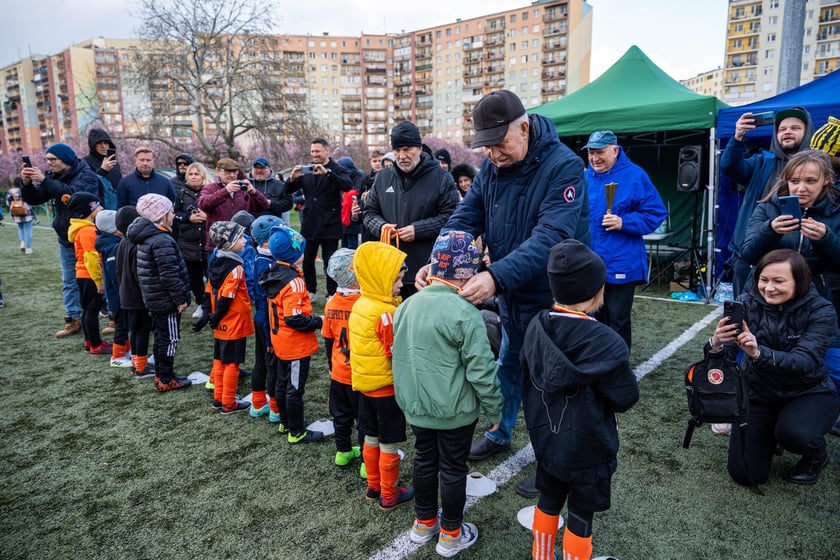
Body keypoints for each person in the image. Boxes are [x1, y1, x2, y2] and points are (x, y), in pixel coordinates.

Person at [416, 90, 590, 487]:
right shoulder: (493, 169)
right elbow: (465, 215)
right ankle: (500, 430)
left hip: (555, 295)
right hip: (514, 291)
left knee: (551, 384)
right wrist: (441, 258)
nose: (492, 155)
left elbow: (552, 237)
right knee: (508, 366)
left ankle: (553, 463)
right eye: (486, 147)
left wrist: (495, 276)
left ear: (524, 128)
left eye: (499, 144)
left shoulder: (564, 167)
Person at [522, 239, 639, 560]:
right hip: (589, 445)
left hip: (548, 439)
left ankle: (541, 556)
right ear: (596, 291)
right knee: (580, 515)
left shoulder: (536, 325)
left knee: (548, 500)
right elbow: (625, 396)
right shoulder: (606, 340)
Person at [393, 231, 502, 557]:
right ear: (466, 274)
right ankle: (451, 534)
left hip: (417, 406)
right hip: (456, 411)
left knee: (424, 459)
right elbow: (482, 371)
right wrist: (495, 410)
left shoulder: (407, 305)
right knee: (454, 469)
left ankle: (424, 524)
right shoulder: (466, 313)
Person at [708, 249, 839, 487]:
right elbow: (724, 358)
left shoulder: (822, 310)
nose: (769, 288)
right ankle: (771, 434)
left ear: (800, 281)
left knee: (796, 434)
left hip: (807, 391)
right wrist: (715, 343)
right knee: (746, 474)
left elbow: (804, 362)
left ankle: (816, 456)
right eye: (763, 280)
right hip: (759, 392)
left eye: (779, 281)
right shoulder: (746, 303)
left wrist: (758, 353)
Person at [582, 130, 667, 350]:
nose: (594, 158)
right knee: (592, 319)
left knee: (617, 319)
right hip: (590, 263)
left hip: (621, 262)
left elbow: (656, 212)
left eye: (599, 152)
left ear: (615, 150)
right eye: (591, 152)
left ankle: (618, 369)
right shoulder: (584, 177)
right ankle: (597, 365)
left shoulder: (635, 175)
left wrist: (624, 222)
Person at [721, 106, 814, 297]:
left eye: (795, 127)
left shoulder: (818, 166)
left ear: (807, 132)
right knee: (745, 311)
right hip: (752, 252)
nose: (787, 132)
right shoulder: (763, 161)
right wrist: (738, 136)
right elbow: (730, 167)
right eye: (782, 129)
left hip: (797, 256)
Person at [349, 241, 414, 512]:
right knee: (389, 442)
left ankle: (373, 486)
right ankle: (389, 493)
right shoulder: (385, 313)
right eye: (396, 281)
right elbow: (394, 352)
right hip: (387, 389)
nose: (401, 285)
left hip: (365, 386)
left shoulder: (361, 304)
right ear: (380, 279)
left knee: (370, 437)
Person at [363, 121, 459, 299]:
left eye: (407, 149)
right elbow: (369, 212)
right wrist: (381, 226)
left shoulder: (441, 178)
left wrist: (418, 230)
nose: (401, 156)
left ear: (420, 148)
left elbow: (452, 217)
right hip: (389, 271)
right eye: (397, 150)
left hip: (425, 270)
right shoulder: (383, 178)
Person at [20, 142, 99, 338]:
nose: (49, 164)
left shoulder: (87, 174)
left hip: (88, 235)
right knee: (69, 281)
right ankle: (73, 318)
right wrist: (28, 184)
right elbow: (36, 198)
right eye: (47, 160)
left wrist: (45, 181)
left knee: (99, 276)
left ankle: (112, 315)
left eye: (53, 159)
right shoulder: (53, 176)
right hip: (66, 236)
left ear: (66, 159)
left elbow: (72, 195)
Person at [260, 225, 324, 444]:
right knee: (294, 388)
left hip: (279, 341)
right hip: (294, 345)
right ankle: (296, 431)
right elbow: (294, 318)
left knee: (281, 383)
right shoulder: (294, 282)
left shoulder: (273, 272)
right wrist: (319, 321)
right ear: (294, 254)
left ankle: (285, 421)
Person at [127, 194, 192, 392]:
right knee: (170, 339)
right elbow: (169, 274)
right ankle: (166, 377)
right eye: (171, 212)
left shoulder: (147, 238)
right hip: (166, 301)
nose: (173, 215)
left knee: (161, 337)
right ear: (161, 216)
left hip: (155, 299)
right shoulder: (161, 240)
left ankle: (160, 374)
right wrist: (180, 298)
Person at [193, 221, 254, 415]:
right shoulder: (235, 267)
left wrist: (206, 314)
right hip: (233, 321)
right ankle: (229, 402)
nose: (245, 240)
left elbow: (209, 289)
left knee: (219, 359)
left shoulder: (216, 260)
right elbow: (227, 296)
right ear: (229, 243)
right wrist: (216, 315)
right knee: (232, 364)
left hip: (220, 324)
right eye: (241, 237)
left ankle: (219, 398)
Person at [283, 137, 353, 301]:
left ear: (327, 151)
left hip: (331, 223)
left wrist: (328, 173)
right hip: (310, 222)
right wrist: (292, 178)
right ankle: (311, 290)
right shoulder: (307, 170)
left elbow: (347, 185)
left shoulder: (337, 169)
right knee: (307, 259)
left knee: (330, 261)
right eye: (312, 151)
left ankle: (331, 292)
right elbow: (287, 190)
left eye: (317, 151)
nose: (314, 155)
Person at [322, 249, 364, 469]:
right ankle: (368, 463)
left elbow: (328, 340)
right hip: (360, 373)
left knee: (341, 416)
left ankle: (343, 452)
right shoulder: (364, 303)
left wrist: (331, 367)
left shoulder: (331, 304)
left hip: (338, 371)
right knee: (365, 420)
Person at [247, 214, 286, 420]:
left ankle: (258, 403)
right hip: (269, 321)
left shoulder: (260, 256)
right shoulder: (269, 263)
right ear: (267, 240)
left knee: (261, 362)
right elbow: (267, 300)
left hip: (262, 318)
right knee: (271, 365)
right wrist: (271, 337)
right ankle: (275, 409)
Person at [66, 192, 112, 356]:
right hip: (89, 276)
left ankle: (90, 341)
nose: (101, 208)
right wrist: (99, 280)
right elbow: (91, 257)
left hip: (84, 275)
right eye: (98, 206)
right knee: (91, 310)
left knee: (87, 310)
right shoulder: (87, 231)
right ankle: (96, 344)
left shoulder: (84, 229)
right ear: (88, 210)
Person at [115, 206, 155, 379]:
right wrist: (148, 301)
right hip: (137, 297)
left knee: (135, 331)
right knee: (142, 331)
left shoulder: (121, 243)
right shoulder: (136, 245)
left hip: (126, 295)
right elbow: (140, 275)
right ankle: (141, 367)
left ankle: (136, 362)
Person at [198, 158, 270, 251]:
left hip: (243, 244)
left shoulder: (243, 189)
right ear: (217, 171)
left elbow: (264, 206)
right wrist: (226, 191)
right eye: (227, 172)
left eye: (234, 172)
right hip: (219, 244)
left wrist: (254, 192)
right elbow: (203, 204)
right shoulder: (210, 188)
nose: (231, 175)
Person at [94, 209, 132, 368]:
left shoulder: (111, 243)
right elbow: (116, 276)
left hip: (119, 295)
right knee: (121, 325)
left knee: (125, 324)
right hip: (119, 296)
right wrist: (125, 293)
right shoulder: (112, 248)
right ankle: (117, 356)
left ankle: (127, 352)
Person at [173, 162, 211, 315]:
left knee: (211, 275)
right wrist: (189, 218)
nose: (194, 177)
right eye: (191, 174)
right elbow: (175, 215)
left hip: (208, 240)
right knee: (194, 278)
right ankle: (201, 303)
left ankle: (212, 303)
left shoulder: (210, 192)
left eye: (197, 174)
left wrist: (207, 218)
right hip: (188, 242)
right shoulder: (181, 194)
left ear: (203, 176)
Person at [248, 157, 293, 222]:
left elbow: (288, 204)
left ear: (269, 169)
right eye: (256, 168)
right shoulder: (245, 184)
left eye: (262, 168)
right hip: (249, 225)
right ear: (252, 169)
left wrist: (271, 204)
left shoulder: (280, 185)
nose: (259, 171)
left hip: (272, 225)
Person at [337, 156, 365, 250]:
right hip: (344, 215)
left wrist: (347, 194)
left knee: (352, 245)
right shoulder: (344, 176)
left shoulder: (359, 175)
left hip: (353, 213)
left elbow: (357, 192)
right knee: (344, 244)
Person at [6, 181, 35, 254]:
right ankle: (28, 248)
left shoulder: (10, 192)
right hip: (27, 212)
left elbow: (8, 203)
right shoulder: (24, 190)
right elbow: (32, 200)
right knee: (28, 230)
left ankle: (22, 243)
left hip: (16, 213)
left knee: (20, 229)